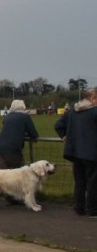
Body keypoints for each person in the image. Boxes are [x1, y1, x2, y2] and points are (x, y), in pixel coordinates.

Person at [55, 88, 97, 217]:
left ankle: (79, 208)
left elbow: (58, 126)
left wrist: (66, 138)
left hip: (74, 152)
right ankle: (93, 209)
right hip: (92, 153)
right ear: (92, 98)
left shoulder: (72, 111)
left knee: (79, 182)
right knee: (93, 182)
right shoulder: (94, 112)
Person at [0, 99, 39, 170]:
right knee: (22, 173)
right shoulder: (25, 116)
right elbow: (34, 134)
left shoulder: (7, 116)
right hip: (13, 149)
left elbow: (7, 129)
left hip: (0, 148)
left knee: (3, 174)